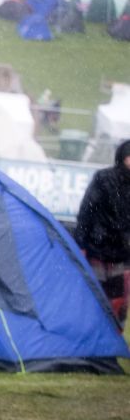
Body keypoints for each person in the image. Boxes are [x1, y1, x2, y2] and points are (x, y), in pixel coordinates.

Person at [74, 139, 130, 330]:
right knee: (94, 295)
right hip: (97, 248)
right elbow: (86, 211)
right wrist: (80, 242)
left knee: (119, 299)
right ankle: (91, 335)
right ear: (122, 158)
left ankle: (113, 338)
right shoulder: (103, 178)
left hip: (122, 253)